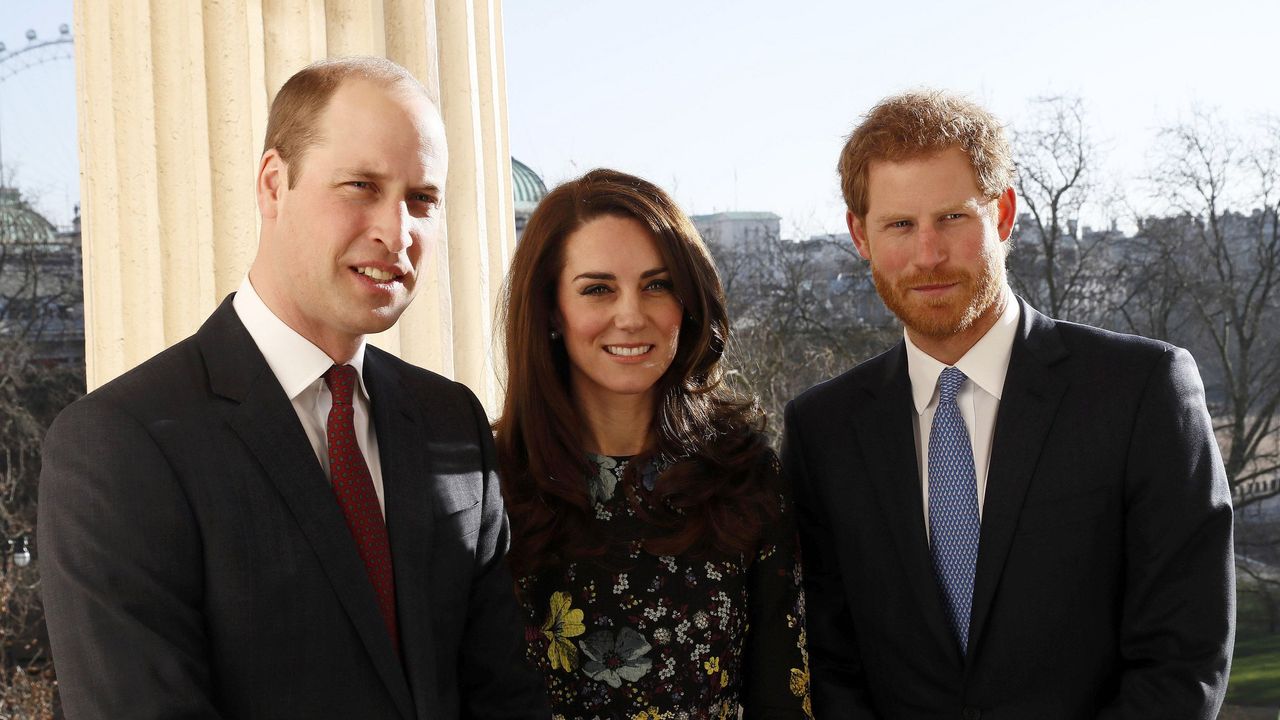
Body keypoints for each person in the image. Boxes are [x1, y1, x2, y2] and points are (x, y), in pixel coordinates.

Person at [38, 57, 549, 719]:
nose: (397, 233)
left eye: (421, 200)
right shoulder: (118, 444)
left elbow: (503, 697)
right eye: (361, 186)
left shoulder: (451, 421)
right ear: (274, 184)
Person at [784, 90, 1235, 718]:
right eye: (899, 225)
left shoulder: (1141, 391)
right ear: (859, 234)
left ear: (1002, 216)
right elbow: (831, 663)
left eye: (952, 218)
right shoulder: (820, 432)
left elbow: (1183, 658)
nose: (928, 255)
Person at [494, 168, 811, 719]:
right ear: (550, 309)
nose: (631, 316)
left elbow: (785, 690)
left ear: (686, 302)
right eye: (597, 289)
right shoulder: (489, 482)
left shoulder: (745, 472)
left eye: (657, 285)